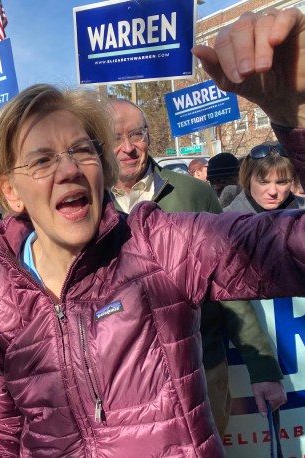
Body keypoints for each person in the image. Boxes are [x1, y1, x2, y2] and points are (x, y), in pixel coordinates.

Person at [0, 8, 305, 455]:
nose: (69, 169)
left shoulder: (157, 245)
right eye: (43, 159)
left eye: (81, 151)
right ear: (11, 192)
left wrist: (295, 116)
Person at [109, 98, 283, 436]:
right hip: (126, 385)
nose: (128, 148)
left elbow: (231, 281)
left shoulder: (193, 193)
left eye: (137, 135)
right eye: (115, 137)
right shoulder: (84, 203)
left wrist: (262, 368)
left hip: (203, 369)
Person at [225, 142, 305, 212]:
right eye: (263, 182)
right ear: (248, 179)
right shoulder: (224, 224)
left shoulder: (301, 214)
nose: (273, 192)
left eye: (281, 182)